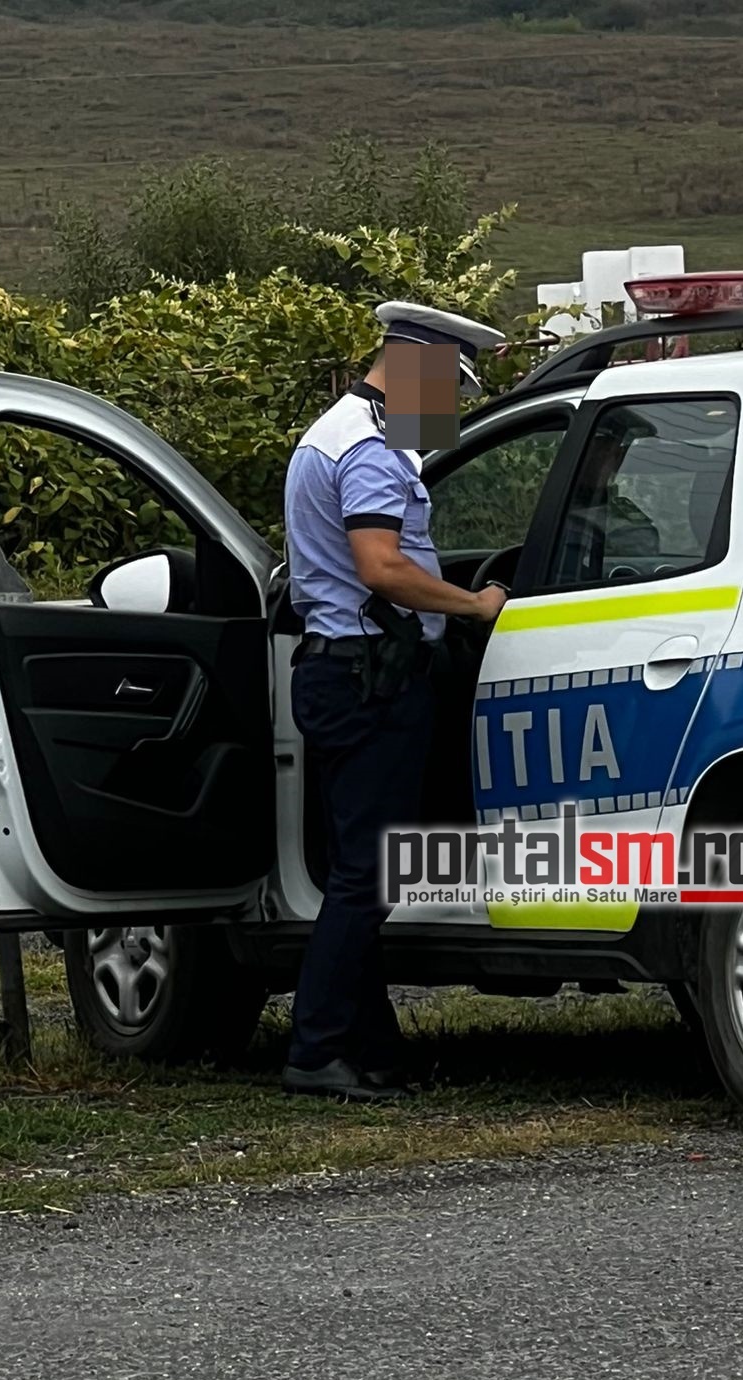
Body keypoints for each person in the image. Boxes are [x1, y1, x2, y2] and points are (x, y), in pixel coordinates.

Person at [280, 300, 508, 1104]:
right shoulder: (370, 449)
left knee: (359, 870)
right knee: (370, 875)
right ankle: (315, 1050)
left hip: (343, 672)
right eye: (451, 391)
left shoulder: (334, 433)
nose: (450, 412)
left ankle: (370, 1049)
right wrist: (473, 605)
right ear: (419, 371)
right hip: (369, 678)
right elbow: (380, 567)